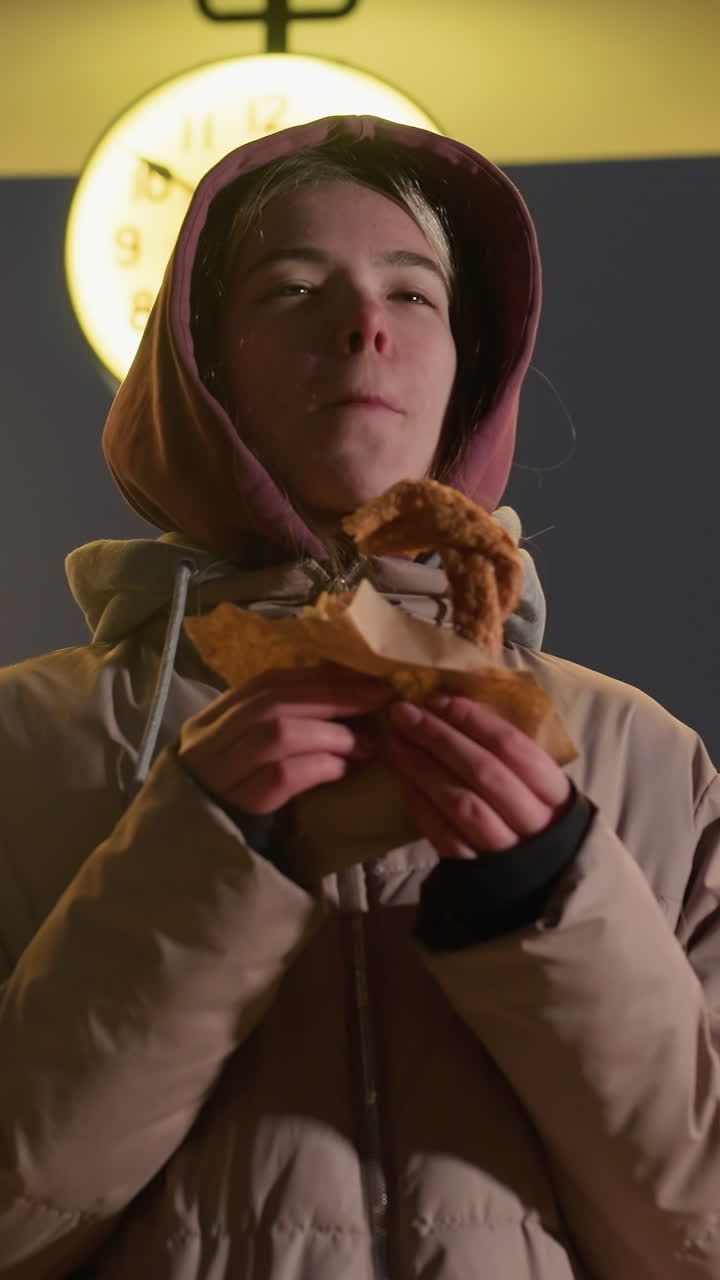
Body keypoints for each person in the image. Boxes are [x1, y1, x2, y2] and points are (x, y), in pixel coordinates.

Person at [0, 115, 718, 1280]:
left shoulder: (645, 758)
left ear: (469, 366)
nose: (364, 324)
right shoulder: (27, 745)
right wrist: (197, 854)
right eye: (291, 287)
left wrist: (549, 894)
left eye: (415, 294)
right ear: (201, 356)